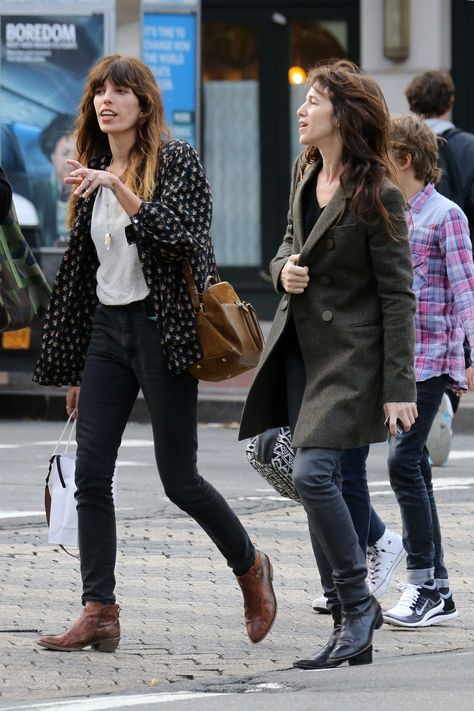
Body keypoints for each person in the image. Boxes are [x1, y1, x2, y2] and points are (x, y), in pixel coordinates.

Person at [32, 54, 276, 652]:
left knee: (179, 479)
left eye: (120, 92)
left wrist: (119, 187)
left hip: (161, 329)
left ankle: (251, 566)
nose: (106, 101)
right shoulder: (90, 175)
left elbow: (183, 236)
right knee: (91, 474)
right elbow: (86, 277)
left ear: (144, 103)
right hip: (106, 335)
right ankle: (101, 609)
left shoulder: (175, 160)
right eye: (99, 93)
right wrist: (78, 369)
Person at [240, 59, 418, 669]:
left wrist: (400, 387)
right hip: (297, 351)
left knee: (314, 474)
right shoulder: (306, 169)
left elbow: (399, 295)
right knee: (321, 482)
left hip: (352, 360)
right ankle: (350, 627)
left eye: (313, 100)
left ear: (341, 114)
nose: (302, 109)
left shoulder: (379, 193)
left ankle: (356, 604)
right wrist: (280, 270)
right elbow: (289, 245)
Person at [383, 114, 474, 628]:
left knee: (402, 463)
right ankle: (437, 585)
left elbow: (466, 291)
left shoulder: (447, 216)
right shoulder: (391, 214)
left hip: (432, 360)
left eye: (383, 156)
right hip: (398, 361)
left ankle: (422, 582)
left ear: (405, 160)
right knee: (412, 467)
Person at [32, 114, 76, 247]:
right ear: (52, 155)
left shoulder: (93, 192)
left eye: (77, 153)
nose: (72, 161)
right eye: (65, 153)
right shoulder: (35, 191)